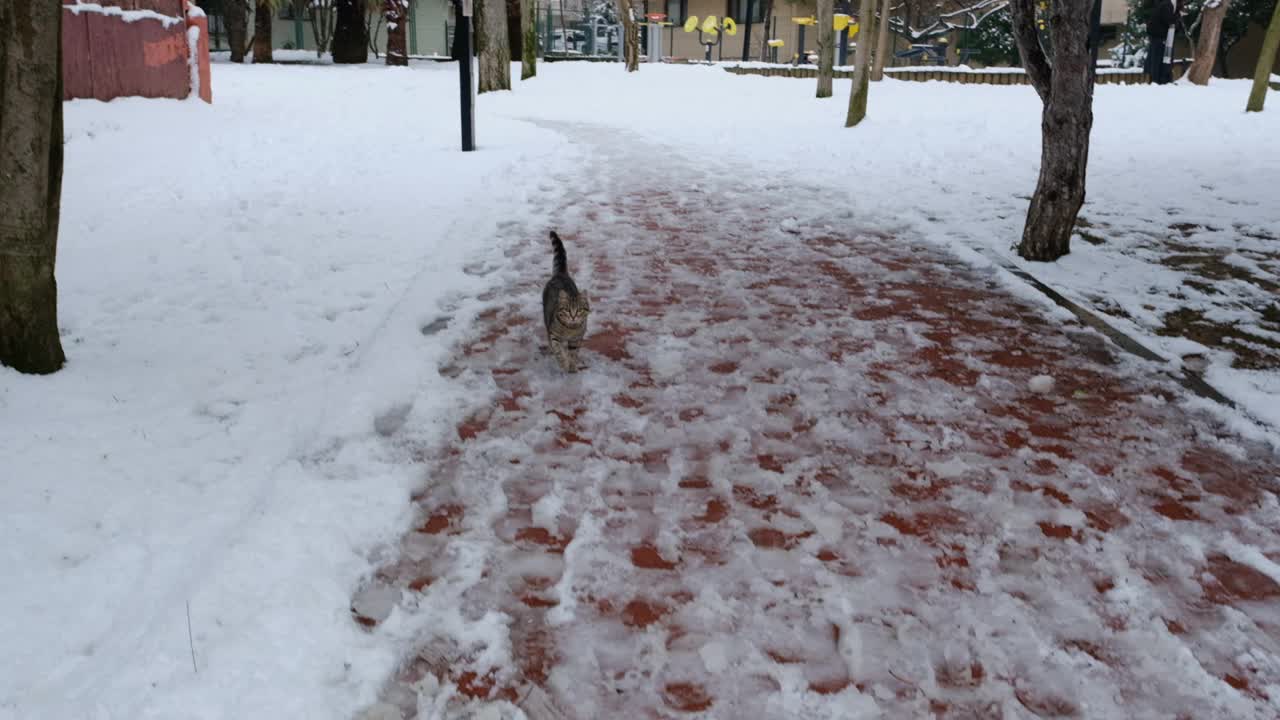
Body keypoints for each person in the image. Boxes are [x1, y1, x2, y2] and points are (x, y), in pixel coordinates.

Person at [1146, 0, 1176, 84]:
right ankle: (1159, 81)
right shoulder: (1167, 4)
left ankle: (1159, 80)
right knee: (1161, 60)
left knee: (1159, 60)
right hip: (1160, 37)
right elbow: (1169, 21)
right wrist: (1178, 15)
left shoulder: (1163, 4)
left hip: (1159, 37)